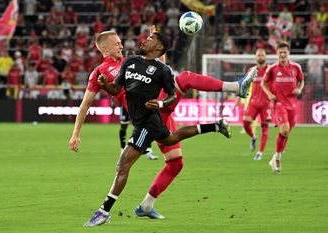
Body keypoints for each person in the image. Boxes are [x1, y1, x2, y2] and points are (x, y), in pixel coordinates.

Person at [68, 30, 256, 226]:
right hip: (146, 115)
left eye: (121, 43)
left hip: (159, 105)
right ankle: (235, 90)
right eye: (117, 44)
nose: (121, 46)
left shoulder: (131, 60)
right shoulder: (101, 72)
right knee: (185, 80)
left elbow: (159, 68)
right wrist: (75, 135)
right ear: (104, 48)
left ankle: (146, 205)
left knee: (175, 162)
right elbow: (85, 104)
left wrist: (157, 48)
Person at [261, 41, 304, 174]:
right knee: (284, 130)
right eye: (280, 52)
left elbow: (301, 80)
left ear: (288, 53)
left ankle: (274, 158)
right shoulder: (272, 69)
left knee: (287, 133)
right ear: (277, 53)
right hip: (279, 104)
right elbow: (263, 83)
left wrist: (299, 89)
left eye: (285, 52)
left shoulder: (296, 67)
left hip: (292, 105)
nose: (283, 54)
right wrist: (269, 94)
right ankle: (278, 157)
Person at [241, 48, 272, 160]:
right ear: (256, 57)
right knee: (245, 123)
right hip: (253, 102)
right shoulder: (251, 70)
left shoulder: (270, 70)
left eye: (262, 55)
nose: (260, 57)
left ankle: (260, 152)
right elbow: (245, 85)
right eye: (258, 55)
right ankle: (253, 137)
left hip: (266, 104)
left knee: (265, 128)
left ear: (265, 57)